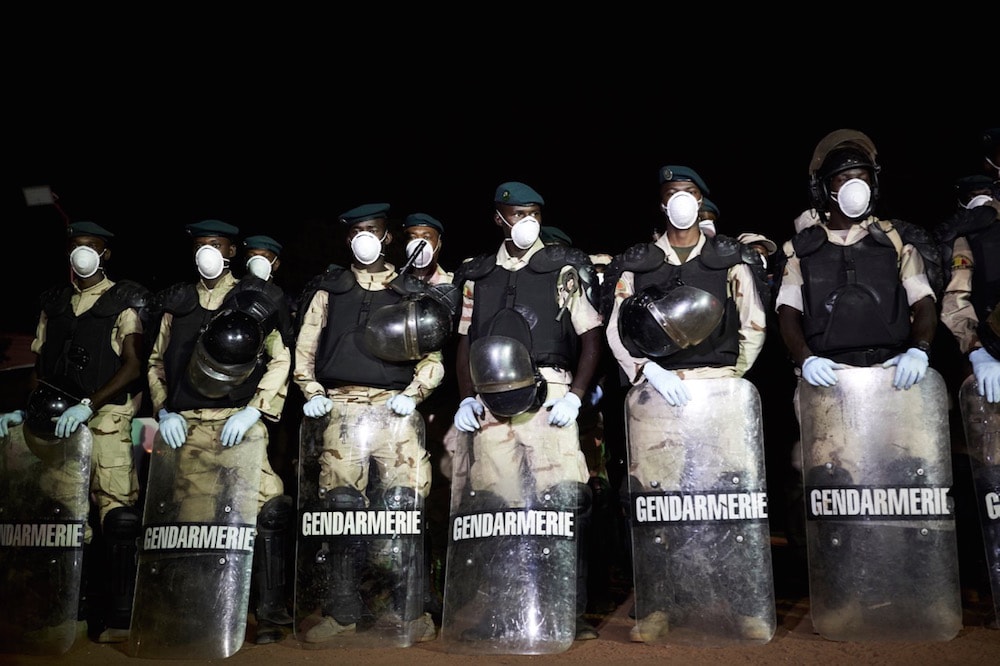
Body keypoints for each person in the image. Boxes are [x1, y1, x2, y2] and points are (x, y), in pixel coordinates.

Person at [776, 129, 960, 640]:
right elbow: (788, 314)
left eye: (861, 178)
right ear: (825, 188)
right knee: (816, 478)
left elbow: (924, 303)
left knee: (906, 477)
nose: (854, 187)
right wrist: (806, 359)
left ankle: (906, 580)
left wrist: (919, 349)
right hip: (828, 379)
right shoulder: (801, 248)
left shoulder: (895, 241)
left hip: (892, 376)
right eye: (843, 179)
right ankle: (827, 583)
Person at [603, 165, 772, 643]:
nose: (682, 199)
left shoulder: (727, 256)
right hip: (658, 391)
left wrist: (730, 377)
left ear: (702, 200)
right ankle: (658, 607)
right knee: (659, 501)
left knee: (730, 498)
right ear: (661, 202)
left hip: (716, 385)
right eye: (673, 193)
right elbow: (617, 325)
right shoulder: (638, 261)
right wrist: (644, 369)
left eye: (690, 192)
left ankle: (742, 604)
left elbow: (753, 319)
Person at [447, 181, 603, 645]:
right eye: (516, 213)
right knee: (496, 505)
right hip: (490, 401)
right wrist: (465, 396)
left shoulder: (562, 267)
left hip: (548, 391)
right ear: (499, 217)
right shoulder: (477, 274)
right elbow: (464, 340)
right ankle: (501, 607)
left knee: (562, 502)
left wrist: (575, 392)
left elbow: (590, 335)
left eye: (533, 212)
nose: (526, 221)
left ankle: (569, 610)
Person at [293, 203, 443, 644]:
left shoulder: (410, 289)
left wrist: (412, 395)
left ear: (386, 237)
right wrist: (313, 392)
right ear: (348, 238)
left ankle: (410, 611)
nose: (365, 238)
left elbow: (432, 357)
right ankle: (342, 612)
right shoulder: (330, 289)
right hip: (341, 409)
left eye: (372, 230)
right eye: (357, 230)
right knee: (340, 507)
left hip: (394, 409)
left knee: (404, 506)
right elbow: (305, 348)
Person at [142, 219, 294, 647]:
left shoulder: (254, 299)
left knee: (268, 510)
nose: (206, 251)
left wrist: (255, 410)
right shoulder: (178, 301)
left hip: (238, 423)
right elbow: (154, 361)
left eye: (216, 244)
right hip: (186, 427)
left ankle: (269, 614)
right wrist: (163, 410)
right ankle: (199, 610)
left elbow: (281, 359)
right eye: (199, 244)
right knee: (195, 521)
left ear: (232, 251)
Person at [0, 220, 149, 644]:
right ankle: (71, 610)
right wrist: (27, 412)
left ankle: (119, 616)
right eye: (76, 246)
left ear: (106, 254)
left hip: (105, 418)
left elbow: (133, 365)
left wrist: (90, 404)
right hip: (58, 420)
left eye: (92, 246)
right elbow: (41, 368)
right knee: (65, 516)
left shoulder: (125, 301)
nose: (82, 253)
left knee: (116, 514)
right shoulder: (54, 303)